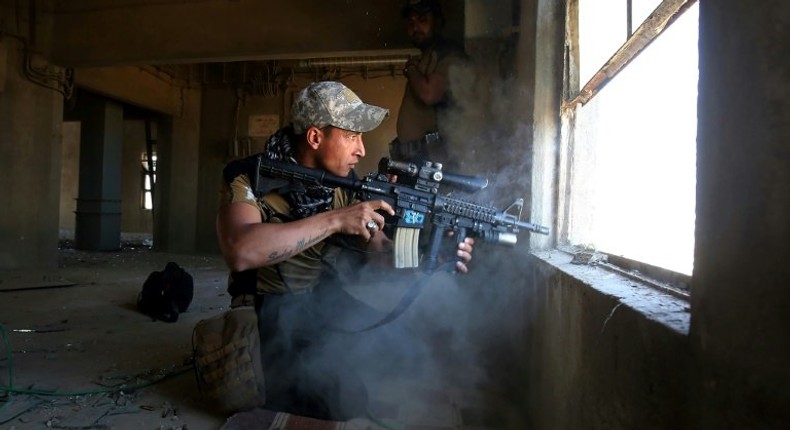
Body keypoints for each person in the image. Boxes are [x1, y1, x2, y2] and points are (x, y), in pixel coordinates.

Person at [215, 81, 475, 421]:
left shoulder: (343, 184)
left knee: (404, 352)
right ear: (314, 138)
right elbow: (241, 250)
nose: (362, 150)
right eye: (352, 135)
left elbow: (381, 254)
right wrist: (336, 220)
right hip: (270, 308)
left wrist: (433, 258)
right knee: (340, 402)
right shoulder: (248, 176)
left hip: (321, 295)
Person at [391, 0, 468, 170]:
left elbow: (429, 94)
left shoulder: (448, 53)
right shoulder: (429, 55)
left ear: (438, 22)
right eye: (411, 22)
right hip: (418, 157)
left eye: (422, 20)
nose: (415, 27)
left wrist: (411, 68)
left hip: (433, 158)